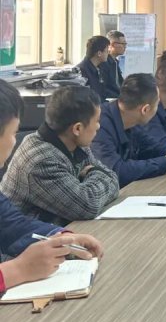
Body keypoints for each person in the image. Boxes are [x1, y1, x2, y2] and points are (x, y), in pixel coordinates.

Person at [0, 80, 103, 295]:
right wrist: (17, 270)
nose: (14, 141)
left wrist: (61, 237)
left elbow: (11, 223)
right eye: (13, 133)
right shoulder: (40, 158)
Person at [1, 86, 119, 225]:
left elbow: (113, 178)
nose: (99, 126)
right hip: (28, 235)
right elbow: (88, 205)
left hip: (58, 229)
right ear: (77, 128)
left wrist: (92, 174)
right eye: (97, 121)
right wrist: (92, 172)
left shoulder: (77, 145)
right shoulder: (41, 160)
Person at [92, 73, 166, 187]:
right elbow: (115, 171)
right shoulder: (100, 125)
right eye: (157, 104)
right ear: (145, 110)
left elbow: (149, 147)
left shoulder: (131, 118)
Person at [76, 35, 111, 101]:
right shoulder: (81, 71)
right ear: (99, 53)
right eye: (107, 51)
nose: (108, 53)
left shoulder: (100, 67)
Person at [99, 30, 126, 99]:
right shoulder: (104, 63)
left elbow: (119, 83)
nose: (125, 47)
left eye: (125, 44)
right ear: (112, 45)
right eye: (122, 44)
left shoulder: (115, 62)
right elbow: (104, 88)